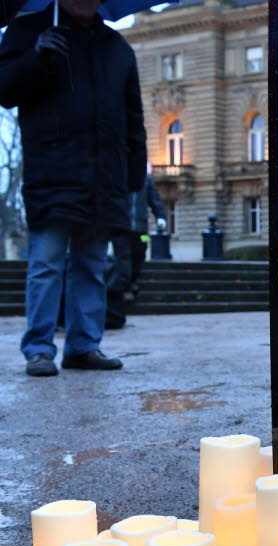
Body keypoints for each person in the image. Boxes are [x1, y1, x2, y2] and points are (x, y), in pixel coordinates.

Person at [0, 0, 147, 376]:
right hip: (52, 172)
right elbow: (5, 90)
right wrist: (37, 57)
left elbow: (134, 115)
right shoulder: (31, 29)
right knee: (46, 263)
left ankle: (84, 346)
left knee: (92, 266)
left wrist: (134, 172)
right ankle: (39, 348)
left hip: (104, 178)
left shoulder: (117, 47)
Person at [106, 165, 164, 330]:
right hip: (120, 227)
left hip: (140, 228)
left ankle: (130, 284)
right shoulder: (116, 177)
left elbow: (154, 199)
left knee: (139, 256)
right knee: (123, 258)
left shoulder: (145, 180)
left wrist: (160, 216)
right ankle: (124, 289)